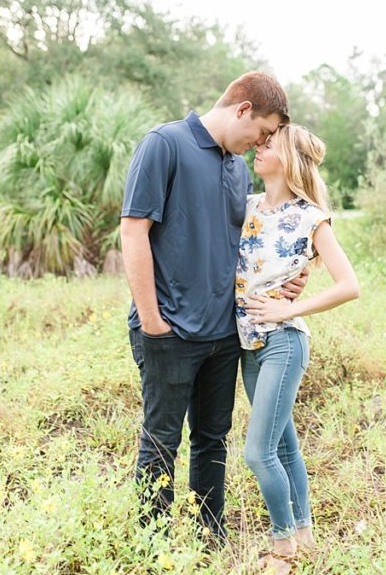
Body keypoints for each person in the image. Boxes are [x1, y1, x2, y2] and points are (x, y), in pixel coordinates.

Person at [120, 72, 295, 540]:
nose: (261, 143)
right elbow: (134, 232)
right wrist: (154, 322)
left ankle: (208, 539)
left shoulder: (236, 166)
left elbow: (252, 240)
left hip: (224, 335)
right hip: (170, 332)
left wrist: (289, 281)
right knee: (160, 443)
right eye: (262, 132)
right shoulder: (165, 144)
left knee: (211, 443)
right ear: (242, 110)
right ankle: (152, 548)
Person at [235, 123, 360, 575]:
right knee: (283, 446)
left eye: (268, 145)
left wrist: (292, 306)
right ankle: (305, 538)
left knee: (257, 452)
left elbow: (349, 285)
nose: (258, 149)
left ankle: (282, 546)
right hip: (248, 344)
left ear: (289, 158)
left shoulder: (311, 218)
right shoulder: (247, 206)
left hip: (284, 341)